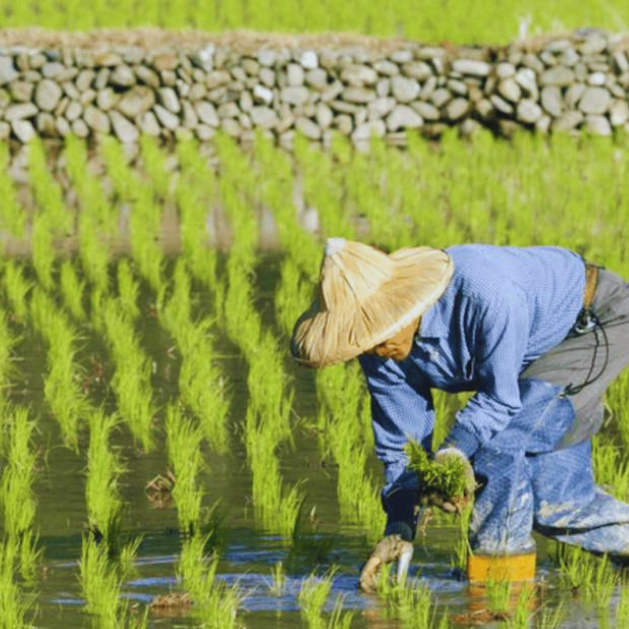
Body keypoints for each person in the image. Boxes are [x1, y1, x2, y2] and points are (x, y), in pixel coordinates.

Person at [290, 238, 629, 591]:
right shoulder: (379, 351)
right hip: (530, 366)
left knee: (495, 445)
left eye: (382, 330)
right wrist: (399, 527)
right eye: (365, 340)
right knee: (557, 504)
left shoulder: (485, 294)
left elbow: (500, 402)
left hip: (588, 325)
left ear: (406, 304)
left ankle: (498, 590)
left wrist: (451, 456)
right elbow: (402, 446)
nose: (378, 348)